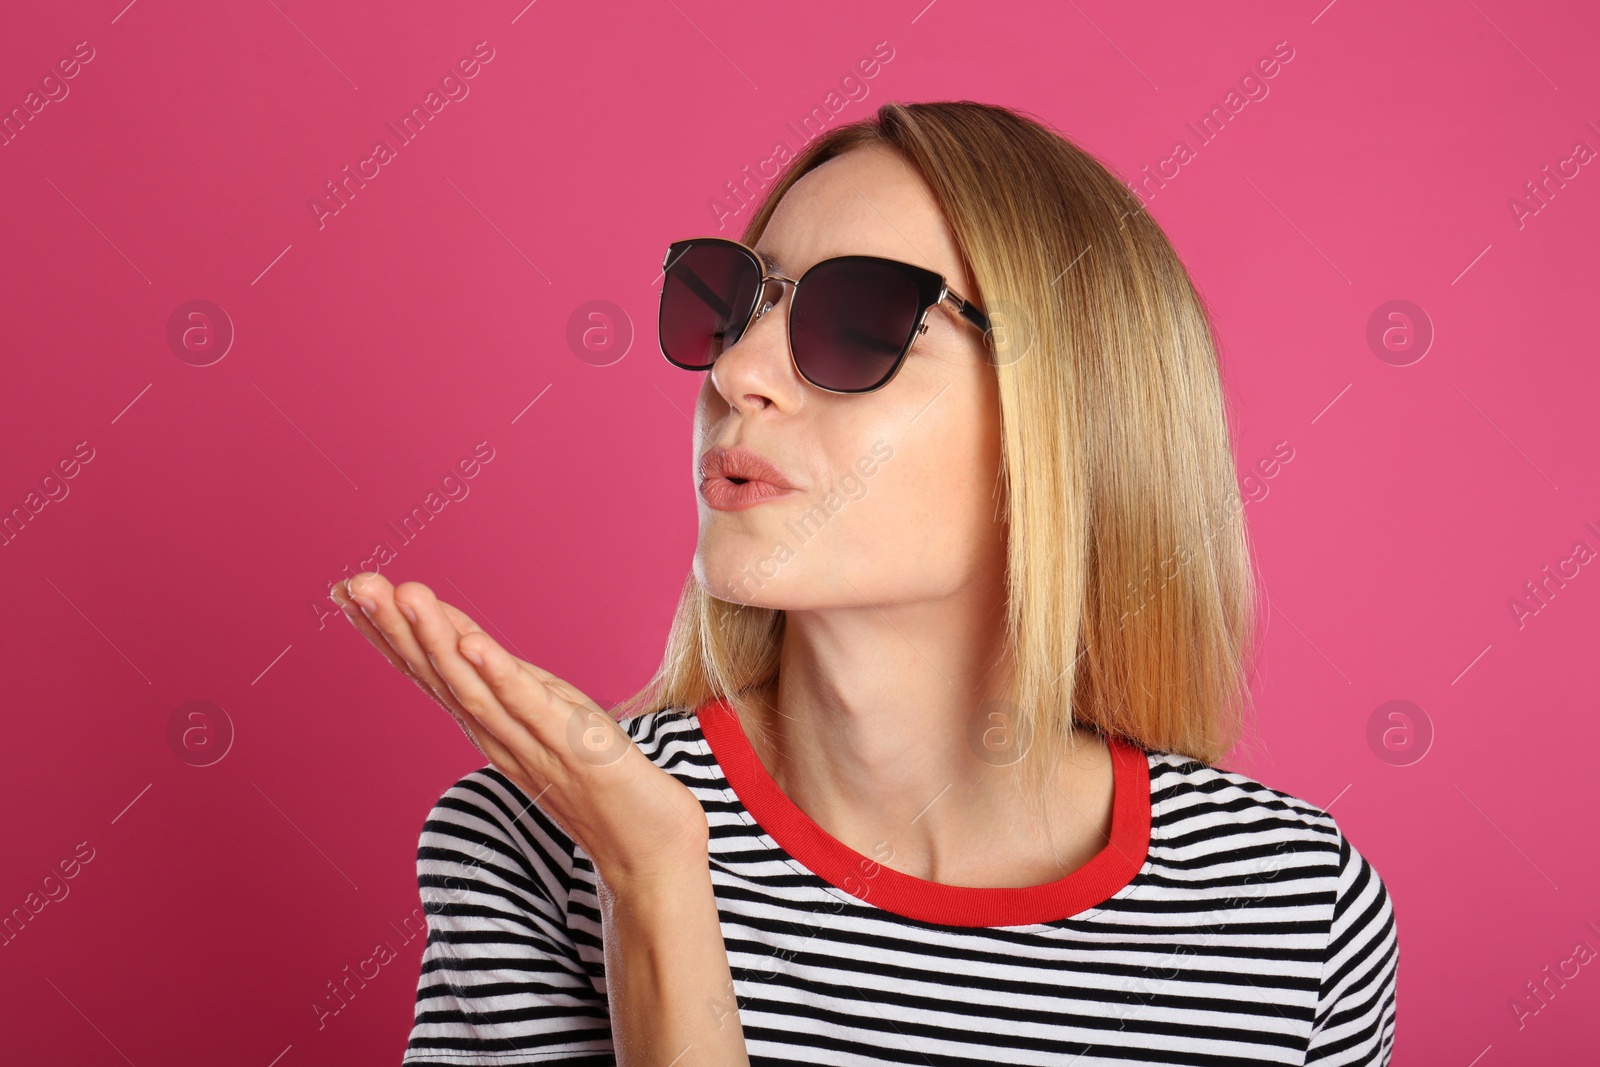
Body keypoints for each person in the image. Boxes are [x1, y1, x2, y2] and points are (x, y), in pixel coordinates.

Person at [337, 100, 1398, 1066]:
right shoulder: (545, 837)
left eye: (855, 321)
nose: (733, 371)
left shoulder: (1294, 908)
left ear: (1071, 417)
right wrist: (653, 881)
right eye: (727, 303)